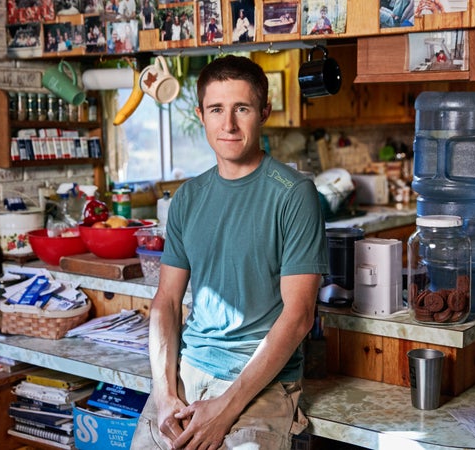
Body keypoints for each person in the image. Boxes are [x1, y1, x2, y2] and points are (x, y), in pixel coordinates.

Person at [130, 55, 328, 450]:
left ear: (264, 113)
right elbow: (166, 301)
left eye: (242, 108)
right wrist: (165, 392)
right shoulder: (188, 197)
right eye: (217, 109)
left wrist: (225, 408)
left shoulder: (293, 194)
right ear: (201, 114)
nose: (229, 124)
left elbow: (300, 315)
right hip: (188, 373)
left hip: (261, 384)